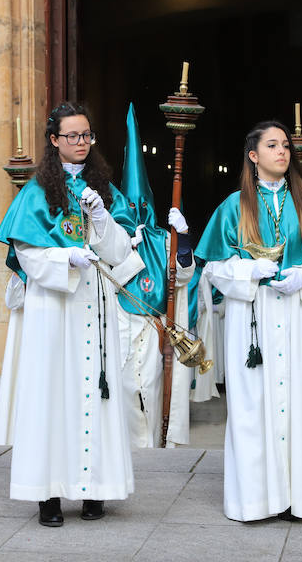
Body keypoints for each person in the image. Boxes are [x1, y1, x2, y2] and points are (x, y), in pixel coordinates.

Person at [0, 101, 136, 527]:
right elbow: (26, 252)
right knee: (52, 395)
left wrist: (102, 218)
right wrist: (63, 257)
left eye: (87, 135)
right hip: (53, 306)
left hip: (95, 305)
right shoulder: (35, 193)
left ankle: (95, 489)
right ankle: (49, 494)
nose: (81, 143)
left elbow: (120, 253)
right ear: (54, 140)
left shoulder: (106, 191)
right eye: (72, 136)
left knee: (96, 392)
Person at [194, 120, 302, 522]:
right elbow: (213, 268)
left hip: (296, 313)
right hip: (252, 318)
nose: (283, 152)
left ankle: (297, 499)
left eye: (286, 146)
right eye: (273, 145)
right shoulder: (233, 207)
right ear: (253, 156)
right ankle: (255, 500)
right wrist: (247, 272)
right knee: (251, 405)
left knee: (299, 403)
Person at [112, 104, 193, 448]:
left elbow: (182, 276)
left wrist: (184, 239)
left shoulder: (161, 238)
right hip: (118, 328)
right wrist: (125, 250)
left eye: (140, 206)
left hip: (153, 327)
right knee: (124, 395)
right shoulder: (109, 237)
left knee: (154, 390)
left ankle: (157, 451)